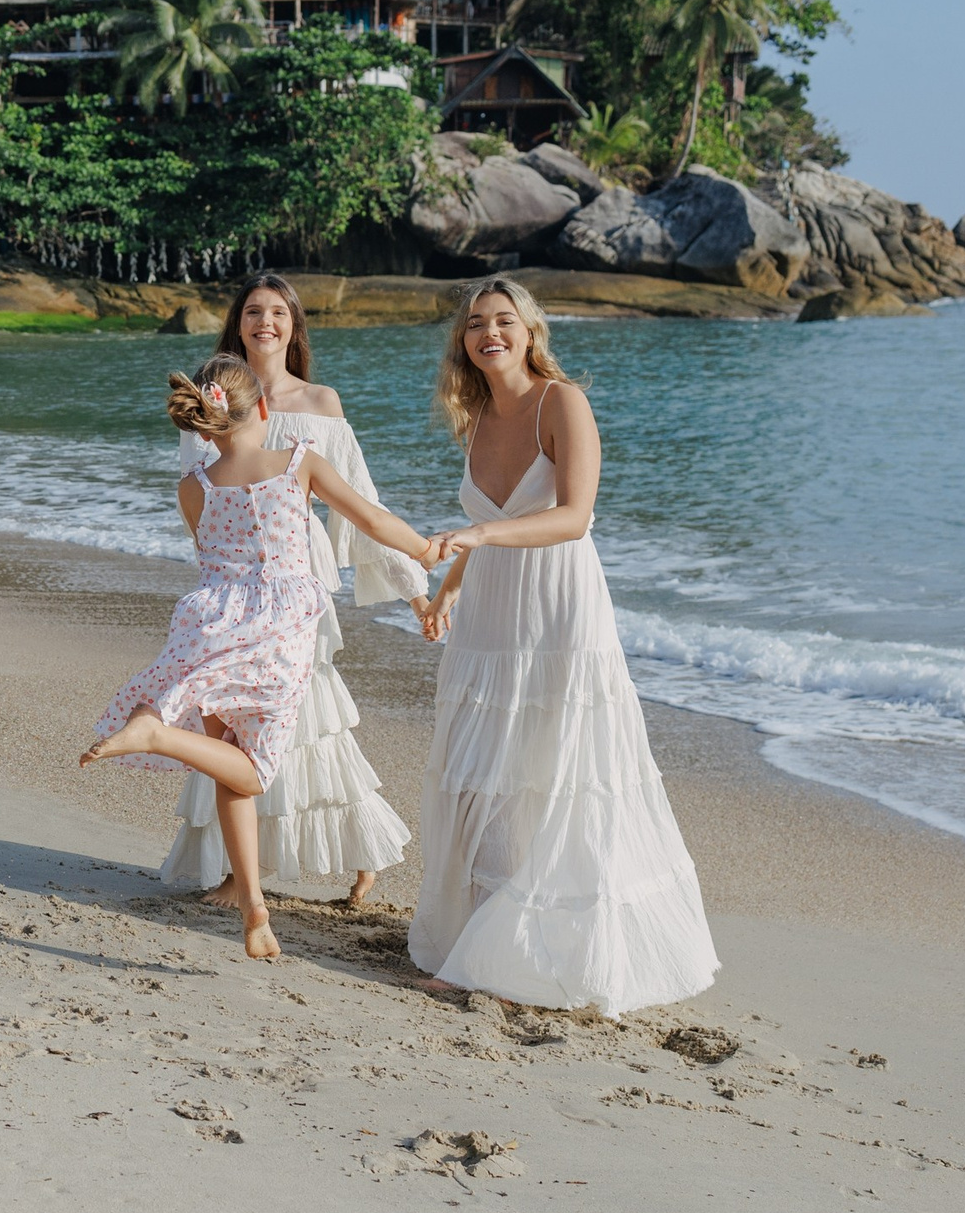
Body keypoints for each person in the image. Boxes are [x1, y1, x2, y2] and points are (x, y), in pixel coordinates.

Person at [410, 278, 719, 1014]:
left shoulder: (562, 402)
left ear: (530, 330)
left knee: (554, 771)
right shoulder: (477, 415)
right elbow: (487, 520)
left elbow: (573, 517)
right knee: (486, 773)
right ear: (463, 340)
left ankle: (541, 947)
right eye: (477, 323)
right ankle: (483, 940)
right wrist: (451, 586)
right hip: (490, 615)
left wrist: (480, 535)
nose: (490, 333)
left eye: (504, 321)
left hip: (558, 611)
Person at [85, 354, 439, 960]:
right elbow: (371, 519)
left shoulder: (191, 487)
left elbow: (212, 558)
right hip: (279, 627)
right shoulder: (299, 462)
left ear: (203, 425)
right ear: (266, 411)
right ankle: (157, 735)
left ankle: (254, 908)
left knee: (229, 766)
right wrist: (426, 552)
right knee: (251, 772)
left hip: (212, 620)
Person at [170, 274, 429, 910]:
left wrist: (416, 590)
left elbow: (362, 505)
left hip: (298, 578)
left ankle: (357, 848)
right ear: (237, 322)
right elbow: (198, 493)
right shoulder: (215, 397)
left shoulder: (321, 402)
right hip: (235, 586)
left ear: (294, 324)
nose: (266, 322)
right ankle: (242, 873)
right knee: (236, 718)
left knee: (310, 715)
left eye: (278, 312)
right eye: (254, 311)